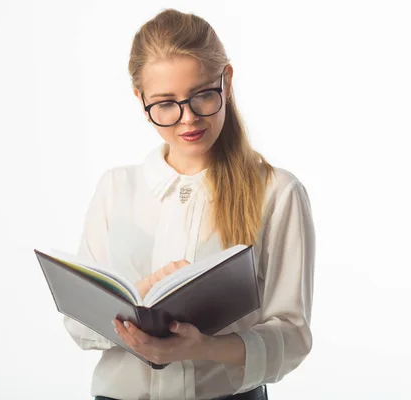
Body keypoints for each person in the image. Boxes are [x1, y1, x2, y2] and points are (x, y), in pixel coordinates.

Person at [63, 8, 316, 400]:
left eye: (202, 95)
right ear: (140, 99)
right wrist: (140, 296)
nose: (188, 120)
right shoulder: (116, 189)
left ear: (226, 82)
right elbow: (78, 326)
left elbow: (293, 336)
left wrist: (203, 347)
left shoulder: (278, 192)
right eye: (165, 103)